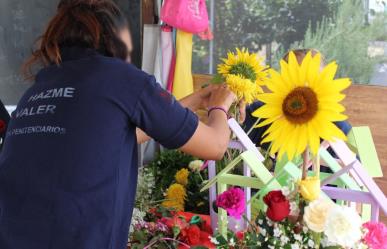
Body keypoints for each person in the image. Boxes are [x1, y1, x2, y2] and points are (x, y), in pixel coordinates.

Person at [0, 1, 237, 249]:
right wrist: (220, 105)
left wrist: (193, 100)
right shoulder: (122, 79)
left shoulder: (37, 91)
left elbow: (113, 138)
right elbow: (216, 145)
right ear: (115, 38)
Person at [244, 49, 352, 151]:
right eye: (295, 75)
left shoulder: (337, 128)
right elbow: (235, 133)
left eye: (312, 77)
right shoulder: (261, 113)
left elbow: (354, 167)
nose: (303, 83)